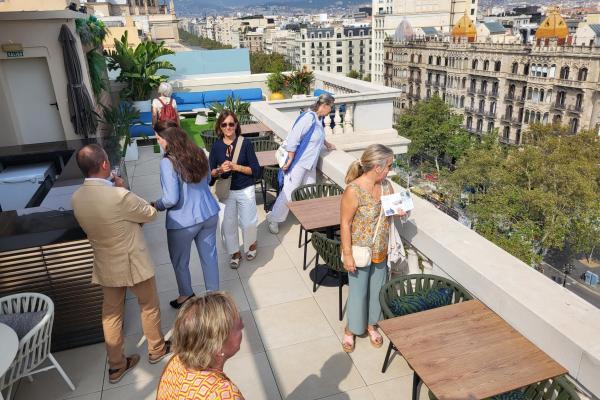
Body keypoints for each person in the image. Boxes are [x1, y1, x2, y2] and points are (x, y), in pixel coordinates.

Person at [71, 144, 171, 384]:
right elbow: (150, 214)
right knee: (148, 305)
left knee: (111, 314)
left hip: (106, 263)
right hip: (133, 262)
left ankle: (116, 366)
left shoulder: (76, 198)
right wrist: (125, 189)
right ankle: (156, 349)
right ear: (105, 164)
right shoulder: (119, 195)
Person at [339, 144, 406, 353]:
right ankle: (351, 329)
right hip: (359, 251)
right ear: (377, 167)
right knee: (358, 292)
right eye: (388, 166)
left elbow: (388, 213)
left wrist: (399, 212)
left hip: (381, 249)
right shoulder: (353, 190)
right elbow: (345, 223)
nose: (390, 170)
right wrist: (348, 255)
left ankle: (371, 325)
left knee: (377, 290)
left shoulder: (386, 186)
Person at [152, 127, 220, 309]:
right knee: (210, 257)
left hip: (183, 222)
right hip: (209, 213)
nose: (158, 141)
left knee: (180, 261)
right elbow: (206, 182)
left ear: (169, 139)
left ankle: (186, 294)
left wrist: (155, 205)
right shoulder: (199, 153)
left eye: (159, 138)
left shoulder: (168, 162)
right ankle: (214, 298)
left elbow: (170, 199)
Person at [265, 93, 337, 234]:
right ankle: (274, 218)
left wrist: (327, 144)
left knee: (309, 191)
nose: (331, 110)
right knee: (289, 192)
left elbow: (317, 136)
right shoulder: (308, 118)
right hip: (298, 163)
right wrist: (290, 159)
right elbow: (293, 139)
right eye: (331, 107)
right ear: (324, 105)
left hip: (309, 164)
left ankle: (309, 218)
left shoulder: (317, 119)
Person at [156, 292, 245, 400]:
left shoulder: (176, 361)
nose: (243, 325)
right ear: (217, 347)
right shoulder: (223, 394)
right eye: (238, 327)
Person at [209, 111, 261, 268]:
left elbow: (256, 170)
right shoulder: (216, 146)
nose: (228, 127)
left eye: (231, 124)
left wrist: (235, 167)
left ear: (236, 125)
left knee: (249, 222)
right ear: (220, 126)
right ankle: (234, 252)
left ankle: (251, 244)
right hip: (226, 191)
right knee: (228, 224)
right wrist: (219, 170)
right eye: (224, 124)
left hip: (245, 188)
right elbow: (210, 174)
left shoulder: (245, 143)